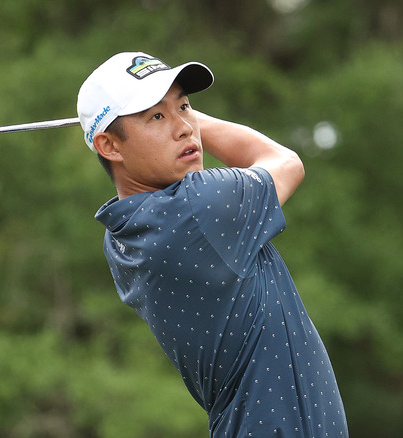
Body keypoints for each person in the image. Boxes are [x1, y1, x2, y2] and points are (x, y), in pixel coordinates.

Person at [77, 51, 348, 438]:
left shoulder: (120, 233)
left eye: (185, 106)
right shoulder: (196, 206)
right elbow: (284, 161)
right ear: (110, 147)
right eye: (156, 116)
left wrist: (166, 114)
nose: (186, 128)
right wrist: (194, 116)